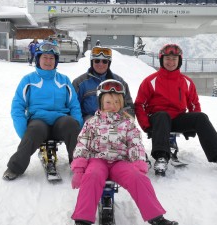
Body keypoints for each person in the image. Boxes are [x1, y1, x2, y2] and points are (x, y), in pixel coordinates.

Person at [70, 79, 178, 225]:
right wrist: (79, 169)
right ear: (101, 102)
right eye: (108, 102)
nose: (113, 106)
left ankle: (156, 217)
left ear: (121, 104)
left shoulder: (127, 123)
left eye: (117, 102)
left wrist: (138, 163)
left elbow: (135, 145)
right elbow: (83, 144)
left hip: (120, 161)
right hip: (97, 160)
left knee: (138, 178)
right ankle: (82, 219)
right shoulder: (92, 122)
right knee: (92, 176)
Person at [134, 43, 217, 176]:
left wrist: (192, 125)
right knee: (162, 115)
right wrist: (146, 126)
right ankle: (161, 158)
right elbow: (140, 105)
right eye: (167, 59)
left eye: (174, 59)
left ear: (179, 61)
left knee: (201, 117)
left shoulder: (186, 82)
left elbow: (194, 105)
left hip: (177, 118)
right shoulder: (150, 81)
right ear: (161, 60)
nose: (171, 62)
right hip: (158, 119)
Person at [3, 41, 83, 180]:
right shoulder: (28, 80)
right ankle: (15, 167)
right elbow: (18, 106)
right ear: (38, 59)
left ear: (56, 61)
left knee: (70, 123)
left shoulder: (64, 80)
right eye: (44, 57)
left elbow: (74, 105)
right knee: (35, 129)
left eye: (52, 58)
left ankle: (79, 165)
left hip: (60, 122)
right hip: (39, 121)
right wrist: (24, 132)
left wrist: (77, 124)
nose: (48, 61)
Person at [72, 46, 134, 121]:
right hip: (90, 125)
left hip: (116, 125)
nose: (100, 64)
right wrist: (85, 123)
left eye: (104, 61)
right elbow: (73, 107)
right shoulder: (80, 83)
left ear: (109, 63)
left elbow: (129, 107)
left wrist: (123, 121)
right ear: (92, 62)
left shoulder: (119, 83)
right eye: (97, 61)